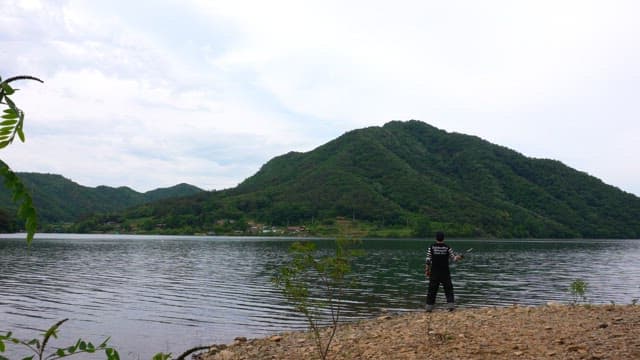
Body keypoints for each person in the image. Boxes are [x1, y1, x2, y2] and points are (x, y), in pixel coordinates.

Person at [425, 231, 462, 312]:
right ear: (443, 238)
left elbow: (428, 260)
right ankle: (451, 306)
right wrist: (459, 257)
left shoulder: (431, 247)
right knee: (448, 289)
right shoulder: (447, 247)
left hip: (434, 272)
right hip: (445, 272)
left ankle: (428, 308)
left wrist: (427, 270)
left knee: (432, 290)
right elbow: (454, 259)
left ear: (436, 238)